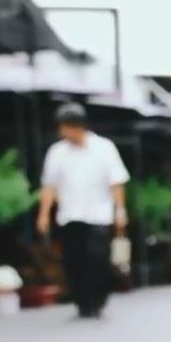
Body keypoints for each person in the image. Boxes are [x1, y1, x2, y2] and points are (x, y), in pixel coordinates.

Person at [36, 102, 129, 320]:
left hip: (98, 215)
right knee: (73, 260)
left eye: (64, 126)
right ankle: (82, 302)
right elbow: (49, 185)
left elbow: (116, 182)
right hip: (70, 215)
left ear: (76, 126)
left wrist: (120, 210)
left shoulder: (104, 148)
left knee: (97, 258)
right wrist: (43, 214)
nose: (61, 131)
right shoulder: (57, 152)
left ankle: (98, 299)